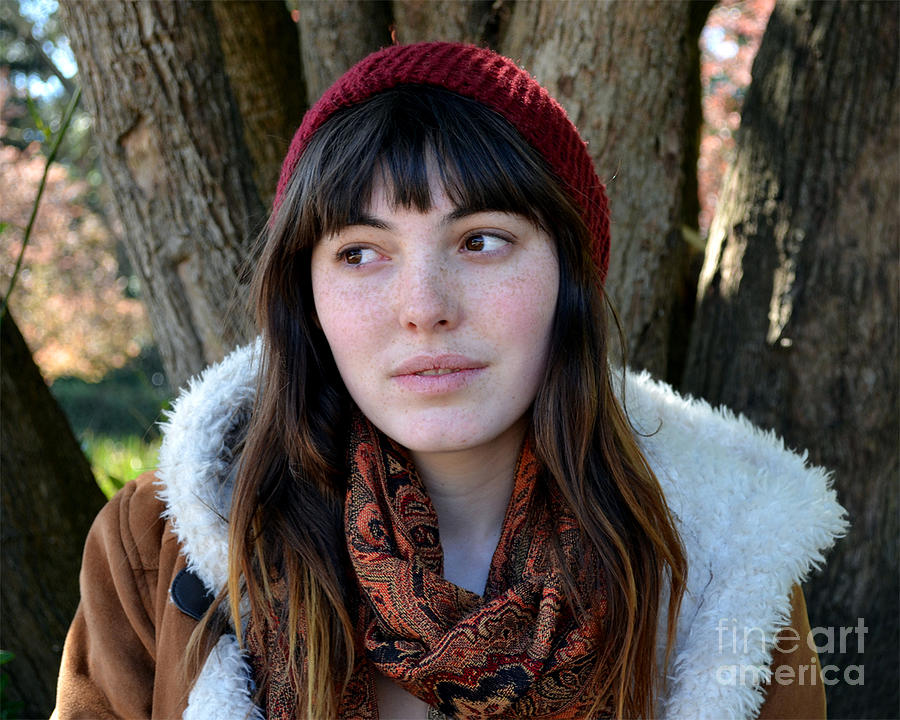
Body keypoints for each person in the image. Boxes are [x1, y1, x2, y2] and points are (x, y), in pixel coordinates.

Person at [53, 42, 846, 720]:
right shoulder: (157, 554)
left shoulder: (717, 570)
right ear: (309, 298)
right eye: (361, 251)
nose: (424, 309)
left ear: (569, 277)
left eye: (481, 241)